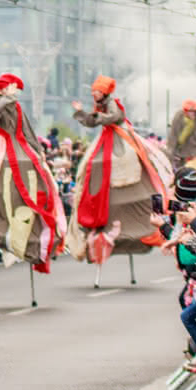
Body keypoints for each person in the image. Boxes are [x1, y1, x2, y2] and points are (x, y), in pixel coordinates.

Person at [0, 73, 65, 271]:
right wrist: (7, 97)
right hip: (0, 147)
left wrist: (38, 151)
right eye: (11, 88)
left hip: (21, 148)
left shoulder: (17, 106)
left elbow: (27, 130)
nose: (14, 93)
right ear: (1, 89)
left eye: (15, 90)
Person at [70, 76, 172, 265]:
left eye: (97, 91)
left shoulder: (112, 104)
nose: (94, 94)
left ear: (105, 92)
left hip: (120, 138)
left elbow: (115, 118)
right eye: (93, 91)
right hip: (106, 137)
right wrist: (80, 112)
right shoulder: (99, 106)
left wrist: (98, 117)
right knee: (90, 165)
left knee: (129, 160)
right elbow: (92, 122)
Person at [168, 99, 196, 170]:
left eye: (195, 111)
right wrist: (171, 152)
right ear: (186, 111)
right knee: (185, 169)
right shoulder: (179, 117)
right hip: (184, 150)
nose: (193, 114)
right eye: (191, 111)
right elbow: (173, 135)